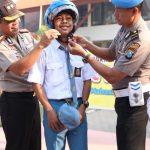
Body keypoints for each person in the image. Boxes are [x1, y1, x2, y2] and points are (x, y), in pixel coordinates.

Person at [68, 0, 150, 150]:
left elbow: (113, 76)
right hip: (124, 102)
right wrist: (87, 45)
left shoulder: (140, 39)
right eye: (115, 8)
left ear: (134, 10)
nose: (115, 13)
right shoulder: (125, 29)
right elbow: (111, 54)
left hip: (134, 104)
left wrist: (85, 54)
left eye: (119, 9)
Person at [27, 0, 96, 150]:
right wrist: (49, 110)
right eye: (59, 18)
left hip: (78, 107)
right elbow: (36, 83)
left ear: (73, 22)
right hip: (54, 108)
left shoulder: (81, 49)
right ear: (52, 22)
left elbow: (87, 80)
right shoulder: (44, 50)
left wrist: (83, 107)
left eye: (68, 18)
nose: (64, 22)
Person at [0, 0, 61, 150]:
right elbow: (20, 69)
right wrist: (40, 44)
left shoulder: (26, 35)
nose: (15, 23)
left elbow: (42, 57)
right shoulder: (1, 45)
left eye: (16, 18)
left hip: (32, 98)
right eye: (9, 21)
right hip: (13, 102)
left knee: (34, 145)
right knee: (18, 145)